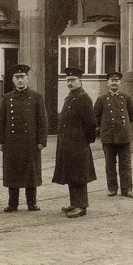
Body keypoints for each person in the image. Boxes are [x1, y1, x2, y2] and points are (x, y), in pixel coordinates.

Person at [0, 64, 48, 212]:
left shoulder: (36, 97)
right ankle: (13, 204)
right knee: (12, 173)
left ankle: (32, 203)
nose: (20, 80)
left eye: (22, 77)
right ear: (12, 80)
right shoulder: (7, 98)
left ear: (27, 79)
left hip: (30, 142)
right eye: (17, 78)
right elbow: (2, 121)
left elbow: (42, 120)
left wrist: (41, 140)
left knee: (30, 173)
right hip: (11, 143)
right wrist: (0, 140)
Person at [52, 67, 97, 218]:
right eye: (68, 80)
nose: (70, 83)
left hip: (78, 144)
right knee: (72, 174)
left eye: (73, 80)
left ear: (80, 81)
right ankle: (74, 203)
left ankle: (81, 206)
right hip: (68, 145)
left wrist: (86, 142)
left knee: (79, 175)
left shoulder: (83, 97)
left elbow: (90, 123)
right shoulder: (72, 96)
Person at [93, 70, 133, 198]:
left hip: (124, 136)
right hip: (108, 136)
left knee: (126, 164)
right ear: (107, 83)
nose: (114, 83)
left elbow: (132, 115)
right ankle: (112, 188)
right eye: (112, 81)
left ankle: (127, 189)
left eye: (117, 81)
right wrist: (104, 127)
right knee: (110, 164)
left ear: (120, 82)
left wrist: (124, 127)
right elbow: (95, 116)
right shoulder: (101, 99)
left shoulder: (126, 98)